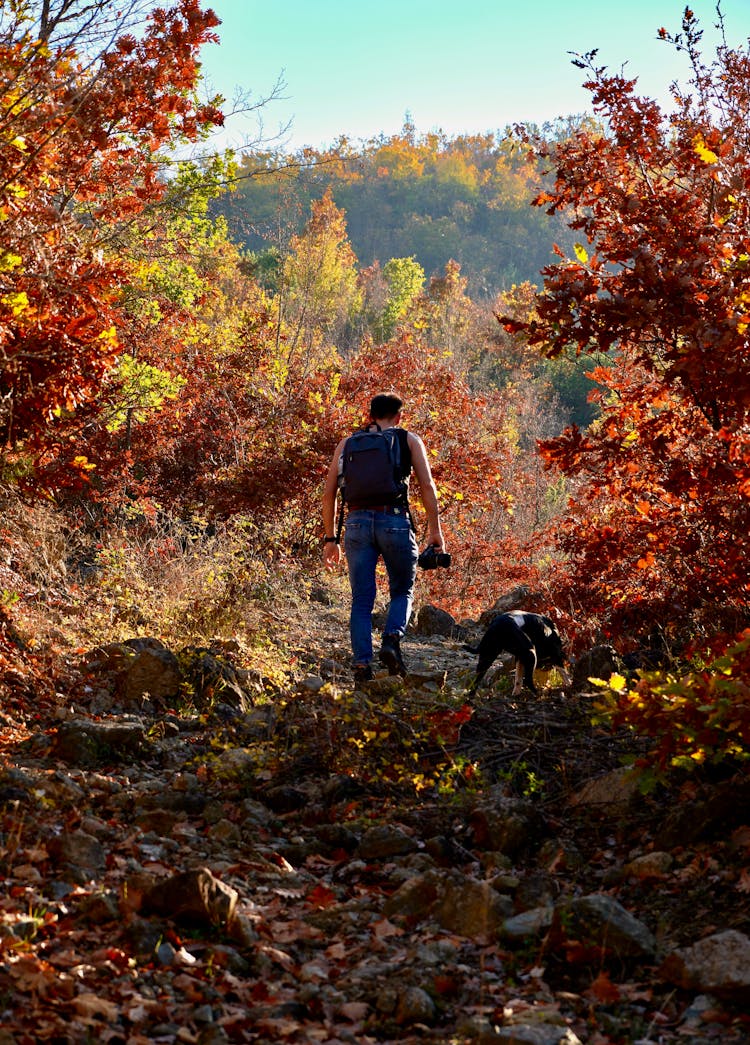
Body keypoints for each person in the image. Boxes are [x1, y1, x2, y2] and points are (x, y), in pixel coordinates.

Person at [322, 392, 445, 682]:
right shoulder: (408, 440)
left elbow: (329, 493)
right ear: (399, 416)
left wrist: (331, 539)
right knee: (402, 590)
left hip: (356, 524)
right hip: (395, 521)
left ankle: (362, 666)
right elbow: (427, 486)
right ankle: (391, 640)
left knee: (362, 599)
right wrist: (435, 531)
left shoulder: (347, 444)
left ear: (370, 415)